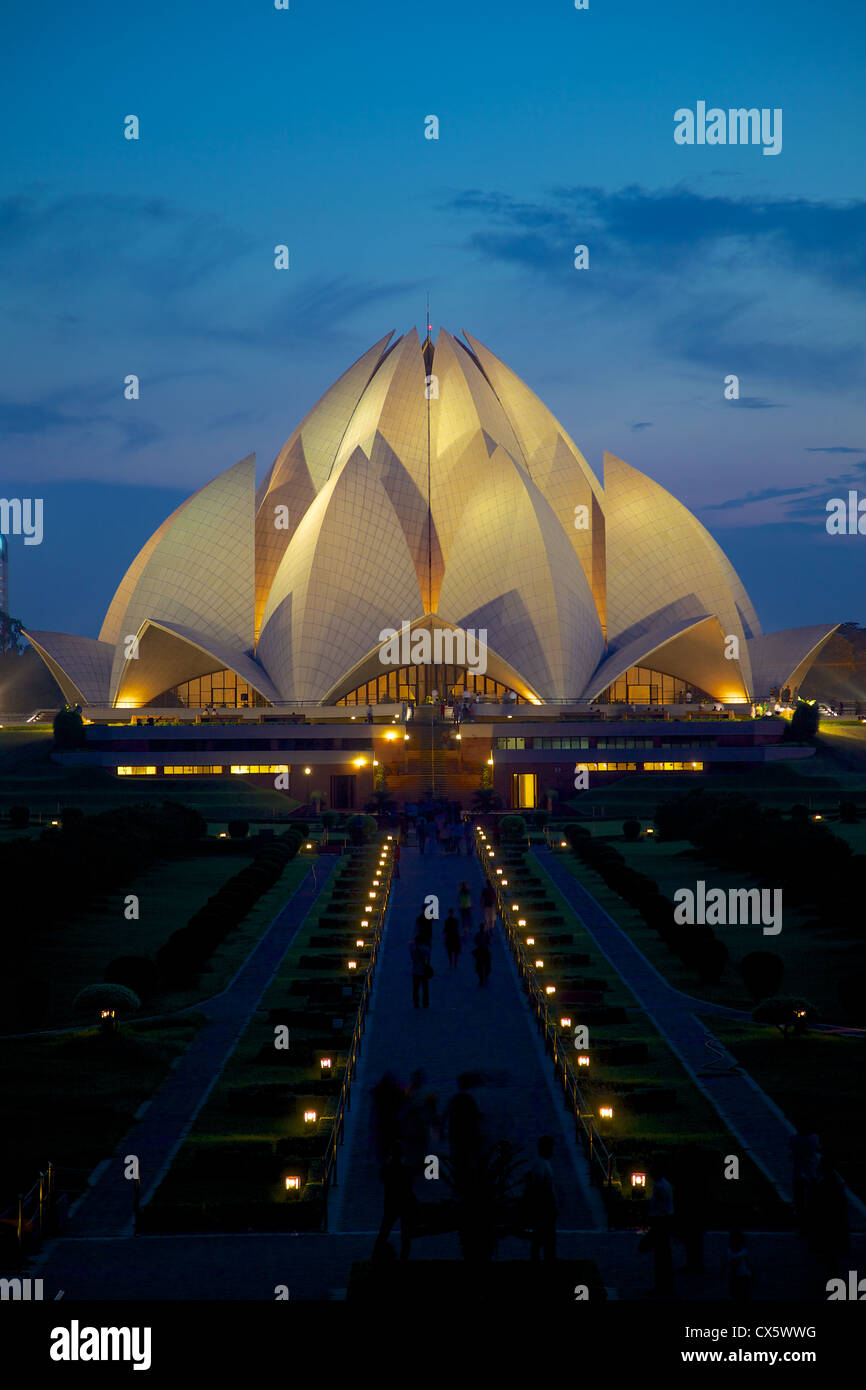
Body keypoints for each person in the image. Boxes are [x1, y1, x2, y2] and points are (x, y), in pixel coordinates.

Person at [373, 1140, 417, 1262]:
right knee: (405, 1235)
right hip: (405, 1204)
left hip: (391, 1204)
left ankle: (376, 1256)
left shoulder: (386, 1169)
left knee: (384, 1231)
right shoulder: (406, 1170)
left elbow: (382, 1178)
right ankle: (403, 1259)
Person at [525, 1136, 557, 1261]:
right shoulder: (541, 1165)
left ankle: (542, 1259)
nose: (552, 1151)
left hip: (545, 1207)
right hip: (544, 1208)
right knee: (544, 1238)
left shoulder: (542, 1164)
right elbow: (541, 1188)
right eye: (550, 1147)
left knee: (542, 1238)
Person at [647, 1163, 675, 1296]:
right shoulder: (664, 1185)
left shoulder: (660, 1187)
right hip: (663, 1220)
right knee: (663, 1256)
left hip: (661, 1221)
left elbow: (659, 1206)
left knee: (661, 1257)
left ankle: (662, 1286)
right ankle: (665, 1285)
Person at [789, 1119, 820, 1231]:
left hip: (798, 1174)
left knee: (799, 1201)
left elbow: (791, 1155)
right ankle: (812, 1223)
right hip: (811, 1173)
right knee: (812, 1200)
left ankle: (802, 1224)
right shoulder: (814, 1138)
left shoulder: (793, 1139)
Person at [727, 1228, 752, 1301]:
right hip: (738, 1276)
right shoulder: (742, 1251)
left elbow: (748, 1264)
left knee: (740, 1294)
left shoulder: (741, 1252)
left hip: (741, 1276)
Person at [410, 934, 431, 1008]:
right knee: (425, 988)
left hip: (415, 970)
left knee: (415, 988)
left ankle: (416, 1003)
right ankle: (425, 1002)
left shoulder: (413, 949)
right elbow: (428, 958)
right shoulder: (426, 949)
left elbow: (412, 958)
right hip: (423, 970)